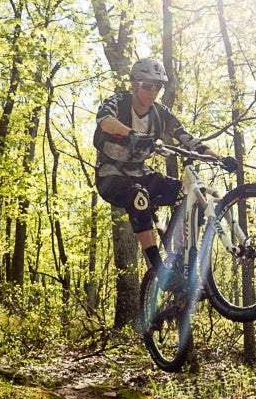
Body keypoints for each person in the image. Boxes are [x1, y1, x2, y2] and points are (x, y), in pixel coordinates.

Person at [94, 57, 237, 276]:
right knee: (138, 197)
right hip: (111, 176)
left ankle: (181, 255)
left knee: (191, 196)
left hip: (142, 173)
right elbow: (104, 120)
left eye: (158, 87)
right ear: (134, 84)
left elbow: (187, 139)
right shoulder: (118, 102)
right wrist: (132, 134)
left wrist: (218, 157)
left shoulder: (161, 113)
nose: (153, 92)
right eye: (147, 86)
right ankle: (156, 268)